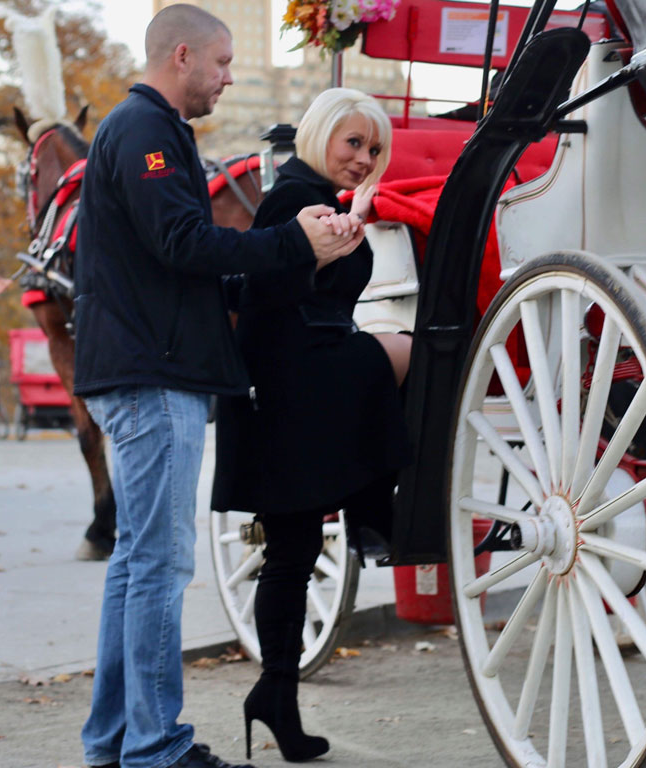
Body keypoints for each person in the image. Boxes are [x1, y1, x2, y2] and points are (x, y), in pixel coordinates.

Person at [73, 7, 365, 768]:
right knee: (159, 565)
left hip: (142, 368)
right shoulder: (145, 132)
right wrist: (293, 240)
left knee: (137, 564)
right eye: (224, 63)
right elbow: (183, 244)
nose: (230, 78)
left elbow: (178, 259)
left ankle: (114, 743)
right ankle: (157, 748)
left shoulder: (148, 132)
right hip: (150, 377)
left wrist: (287, 258)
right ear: (182, 56)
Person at [210, 88, 411, 763]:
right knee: (405, 352)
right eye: (353, 143)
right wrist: (313, 256)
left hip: (299, 384)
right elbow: (257, 293)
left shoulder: (312, 193)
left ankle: (276, 696)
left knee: (291, 557)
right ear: (323, 134)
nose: (364, 158)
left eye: (373, 149)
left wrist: (324, 255)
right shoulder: (293, 194)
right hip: (291, 387)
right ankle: (378, 502)